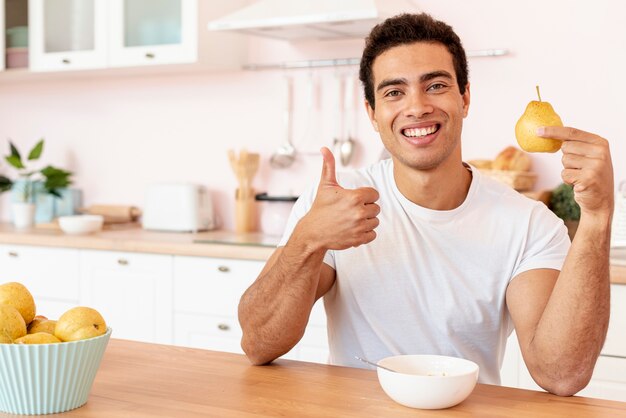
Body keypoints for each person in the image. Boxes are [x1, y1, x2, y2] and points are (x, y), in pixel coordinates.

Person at [237, 13, 614, 396]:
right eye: (394, 92)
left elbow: (561, 374)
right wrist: (307, 241)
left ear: (464, 98)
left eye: (435, 85)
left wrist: (597, 218)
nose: (416, 107)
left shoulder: (529, 224)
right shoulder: (336, 203)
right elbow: (258, 343)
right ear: (372, 113)